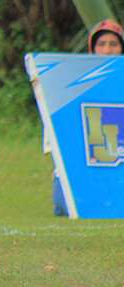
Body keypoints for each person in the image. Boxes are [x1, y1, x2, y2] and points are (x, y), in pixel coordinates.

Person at [47, 19, 124, 217]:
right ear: (92, 49)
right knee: (63, 207)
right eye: (101, 44)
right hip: (86, 165)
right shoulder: (72, 85)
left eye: (113, 44)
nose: (107, 51)